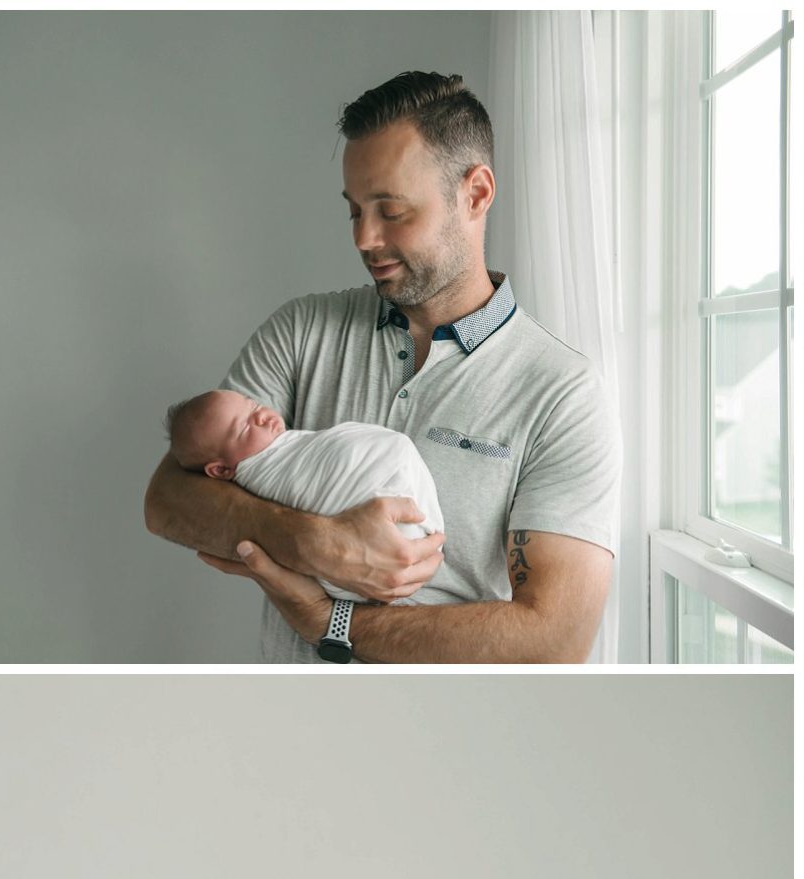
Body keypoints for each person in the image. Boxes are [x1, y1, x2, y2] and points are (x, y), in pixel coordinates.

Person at [142, 71, 619, 665]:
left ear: (475, 194)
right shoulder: (301, 332)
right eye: (354, 211)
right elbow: (167, 499)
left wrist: (328, 620)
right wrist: (314, 543)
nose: (365, 239)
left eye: (391, 211)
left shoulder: (561, 393)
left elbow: (555, 639)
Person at [163, 391, 444, 603]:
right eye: (246, 427)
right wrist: (322, 543)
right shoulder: (260, 473)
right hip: (361, 573)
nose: (262, 415)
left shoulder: (278, 442)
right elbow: (163, 502)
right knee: (392, 450)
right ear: (221, 470)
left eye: (254, 405)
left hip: (399, 558)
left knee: (392, 450)